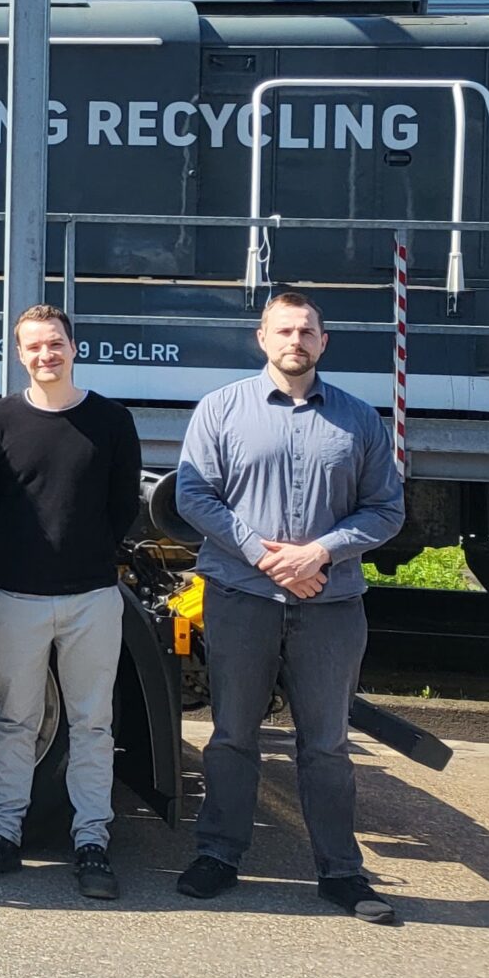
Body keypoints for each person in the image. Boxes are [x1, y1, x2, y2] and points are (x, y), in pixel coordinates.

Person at [175, 291, 406, 923]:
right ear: (262, 338)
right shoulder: (221, 409)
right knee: (232, 734)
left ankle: (341, 871)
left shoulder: (360, 420)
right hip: (241, 597)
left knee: (327, 743)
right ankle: (218, 855)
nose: (295, 341)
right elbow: (194, 495)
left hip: (330, 604)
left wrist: (319, 554)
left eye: (306, 331)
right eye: (284, 330)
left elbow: (387, 510)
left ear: (323, 342)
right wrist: (265, 556)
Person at [0, 305, 142, 898]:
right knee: (15, 721)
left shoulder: (111, 420)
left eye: (55, 343)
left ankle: (91, 843)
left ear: (73, 346)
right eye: (34, 346)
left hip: (92, 598)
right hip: (15, 596)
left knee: (92, 724)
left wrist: (84, 556)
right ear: (19, 354)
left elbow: (122, 507)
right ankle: (2, 835)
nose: (46, 355)